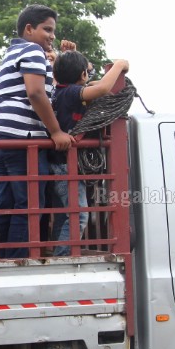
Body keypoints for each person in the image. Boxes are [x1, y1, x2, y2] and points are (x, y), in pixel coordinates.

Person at [0, 5, 73, 259]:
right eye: (47, 29)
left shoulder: (11, 53)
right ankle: (16, 263)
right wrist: (56, 132)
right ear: (29, 29)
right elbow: (36, 93)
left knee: (2, 205)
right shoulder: (33, 51)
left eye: (53, 31)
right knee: (30, 205)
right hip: (21, 136)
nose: (51, 36)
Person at [49, 52, 130, 256]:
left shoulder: (61, 91)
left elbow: (98, 88)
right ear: (83, 74)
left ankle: (60, 253)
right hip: (65, 165)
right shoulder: (70, 92)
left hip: (62, 163)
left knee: (66, 214)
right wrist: (119, 65)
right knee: (79, 215)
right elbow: (103, 88)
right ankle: (63, 257)